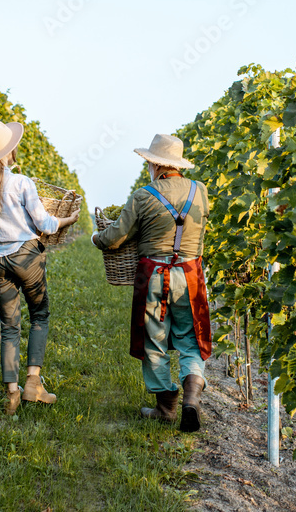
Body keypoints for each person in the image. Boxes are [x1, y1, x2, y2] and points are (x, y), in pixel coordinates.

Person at [92, 133, 212, 432]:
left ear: (155, 165)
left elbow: (116, 237)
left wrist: (97, 238)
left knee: (153, 338)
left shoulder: (144, 195)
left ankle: (166, 406)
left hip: (154, 276)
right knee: (191, 336)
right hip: (190, 274)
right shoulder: (200, 191)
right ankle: (192, 397)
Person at [0, 118, 80, 415]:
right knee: (39, 314)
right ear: (10, 150)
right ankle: (33, 382)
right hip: (25, 256)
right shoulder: (21, 183)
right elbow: (44, 223)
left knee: (9, 326)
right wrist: (67, 220)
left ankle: (11, 394)